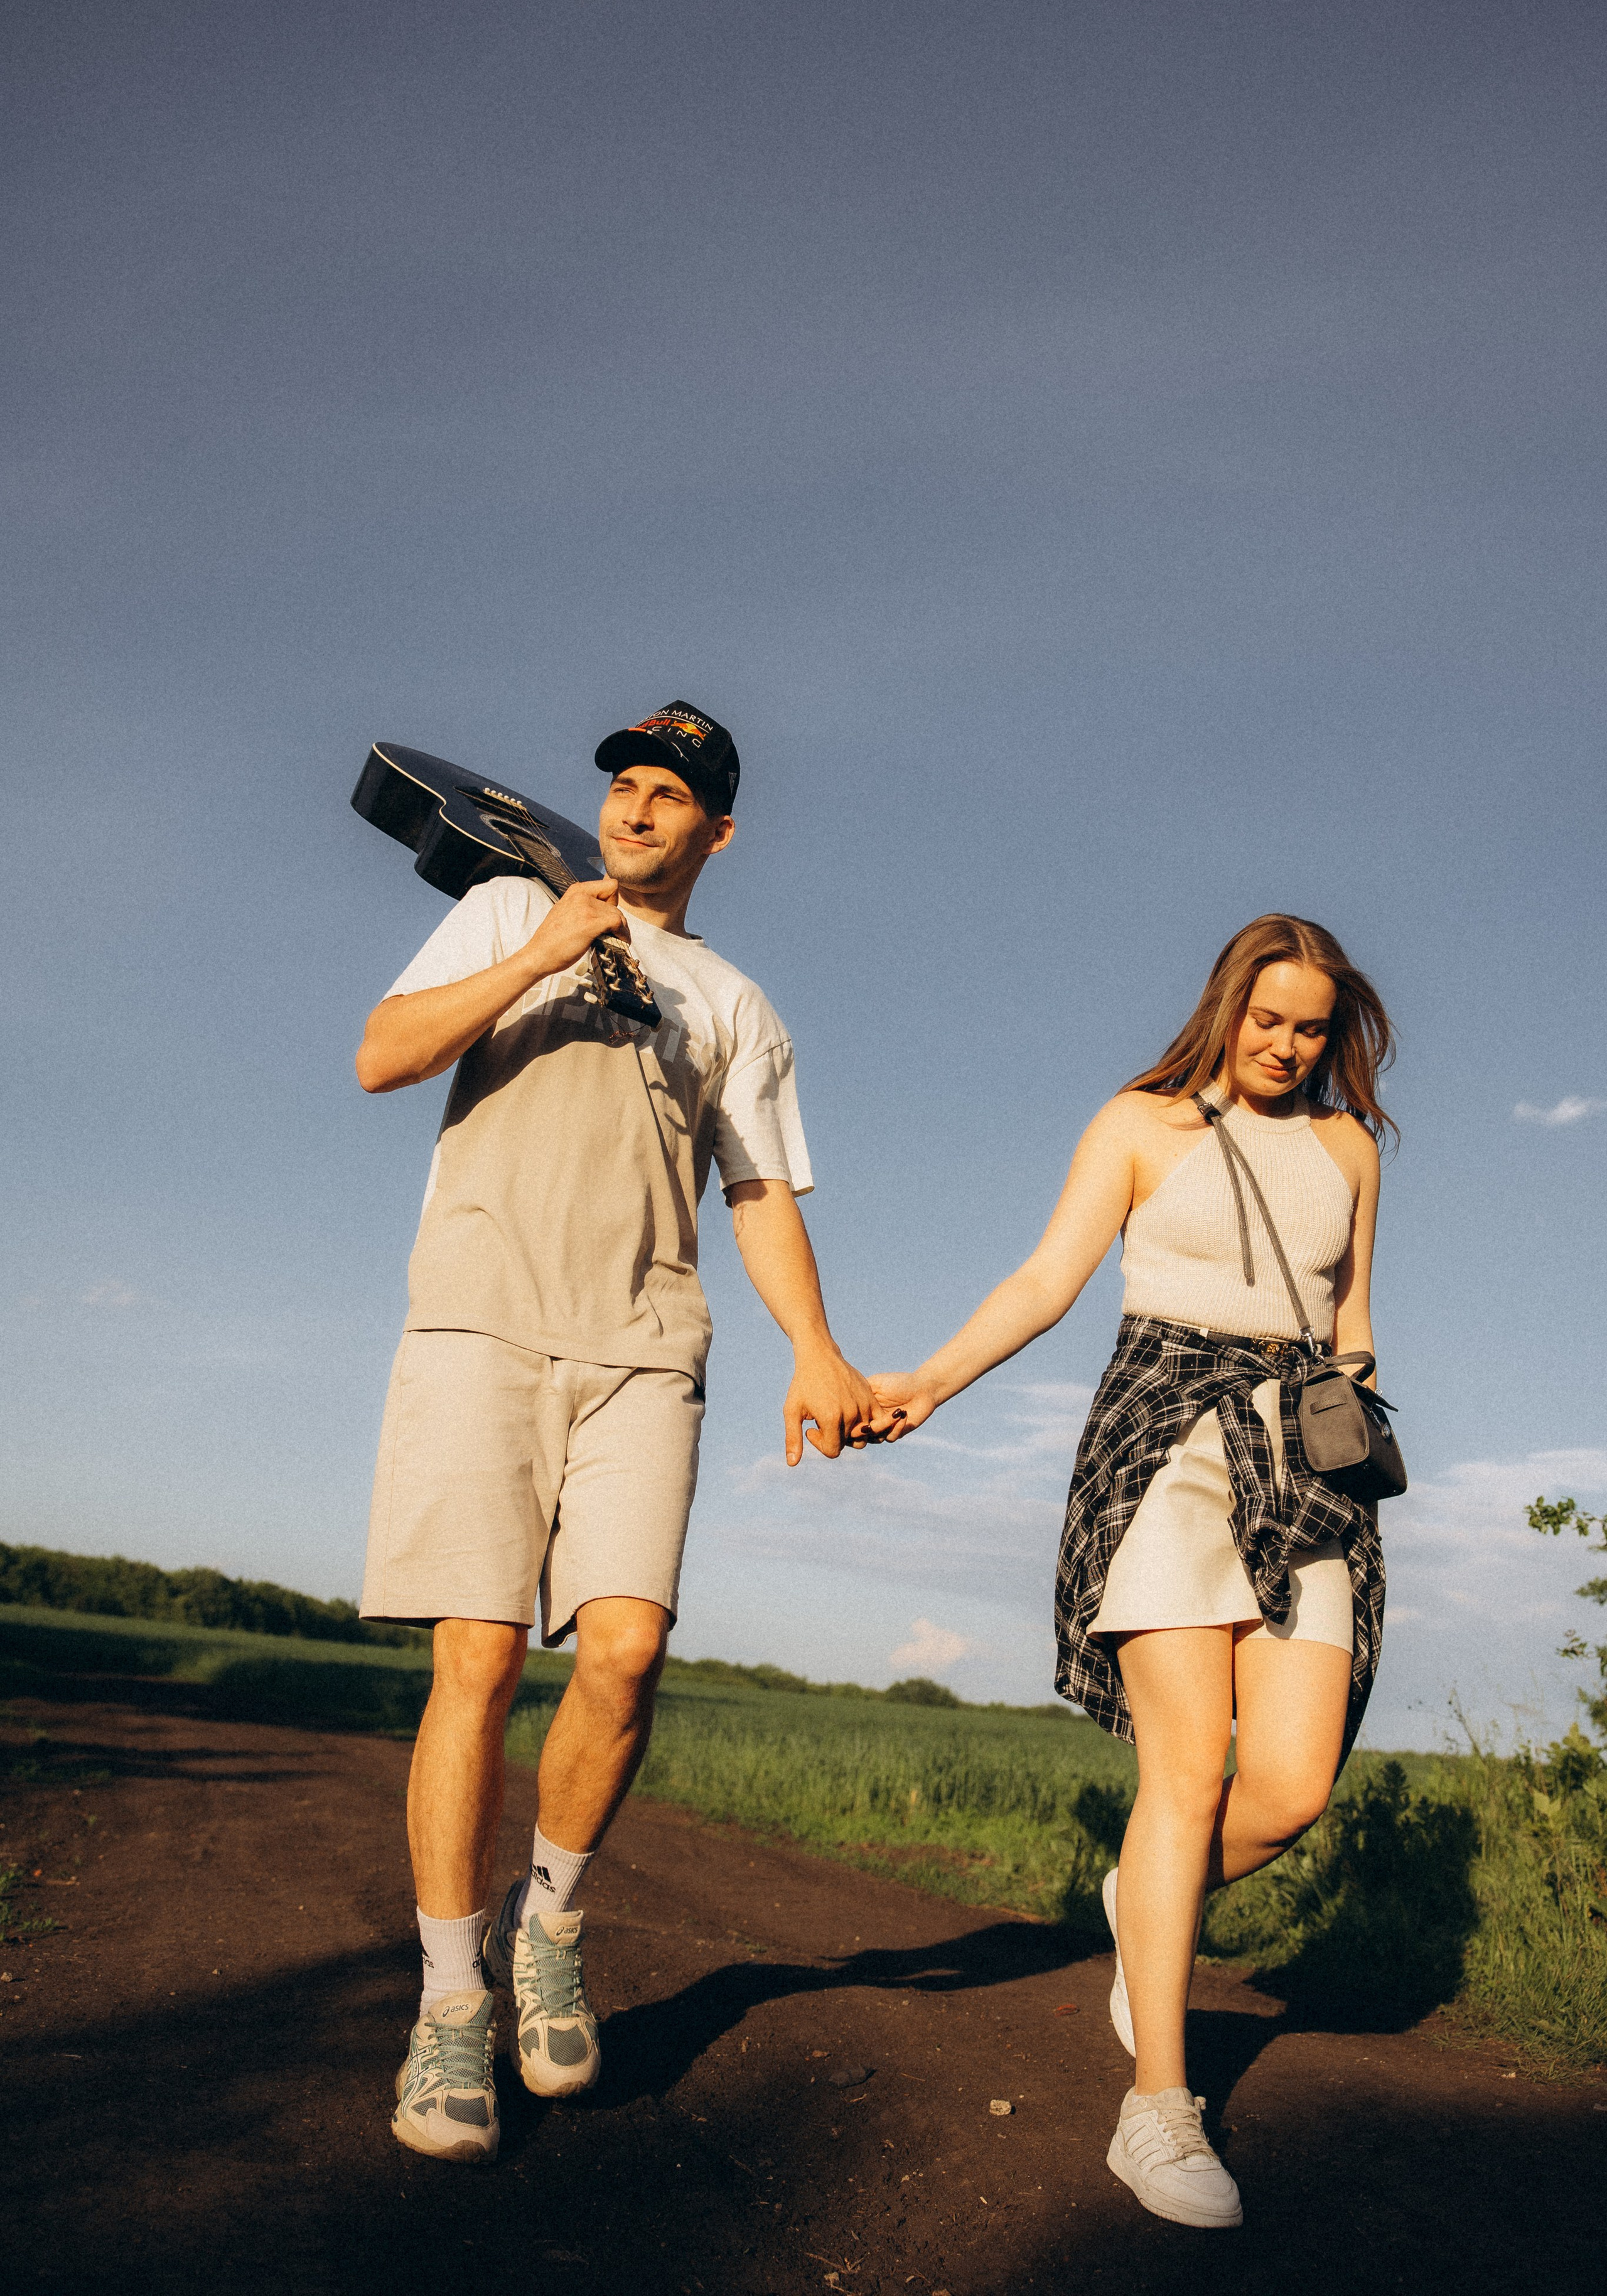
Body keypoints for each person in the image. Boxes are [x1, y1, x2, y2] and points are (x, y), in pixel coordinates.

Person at [355, 702, 879, 2164]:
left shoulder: (734, 1003)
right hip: (478, 1319)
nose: (639, 811)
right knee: (478, 1654)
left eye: (671, 797)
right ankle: (449, 2006)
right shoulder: (513, 903)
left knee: (630, 1646)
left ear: (718, 831)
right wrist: (534, 954)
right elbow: (381, 1058)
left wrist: (817, 1350)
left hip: (645, 1342)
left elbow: (762, 1192)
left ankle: (550, 1924)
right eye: (625, 787)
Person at [869, 915, 1394, 2231]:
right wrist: (923, 1383)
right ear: (1227, 1006)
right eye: (1265, 1018)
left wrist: (1350, 1391)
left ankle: (1139, 1898)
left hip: (1302, 1461)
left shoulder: (1346, 1149)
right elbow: (1047, 1279)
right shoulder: (1139, 1124)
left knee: (1287, 1787)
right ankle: (1156, 2108)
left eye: (1309, 1027)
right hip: (1163, 1439)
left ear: (1335, 1035)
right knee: (1186, 1775)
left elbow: (1351, 1321)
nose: (1284, 1044)